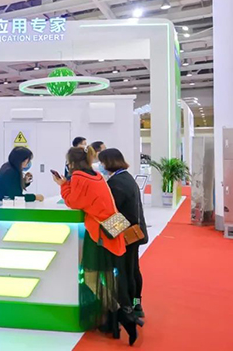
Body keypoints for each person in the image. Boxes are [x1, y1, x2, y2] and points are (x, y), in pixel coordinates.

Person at [53, 146, 140, 346]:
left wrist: (63, 185)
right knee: (107, 277)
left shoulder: (78, 178)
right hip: (111, 230)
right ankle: (118, 317)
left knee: (92, 277)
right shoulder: (97, 176)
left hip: (99, 233)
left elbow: (74, 202)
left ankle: (121, 315)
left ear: (71, 163)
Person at [98, 148, 149, 319]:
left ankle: (128, 307)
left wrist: (104, 230)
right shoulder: (126, 178)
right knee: (133, 269)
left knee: (126, 271)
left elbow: (114, 211)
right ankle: (136, 303)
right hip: (135, 231)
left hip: (126, 233)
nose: (100, 165)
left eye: (102, 162)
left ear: (108, 162)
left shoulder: (116, 183)